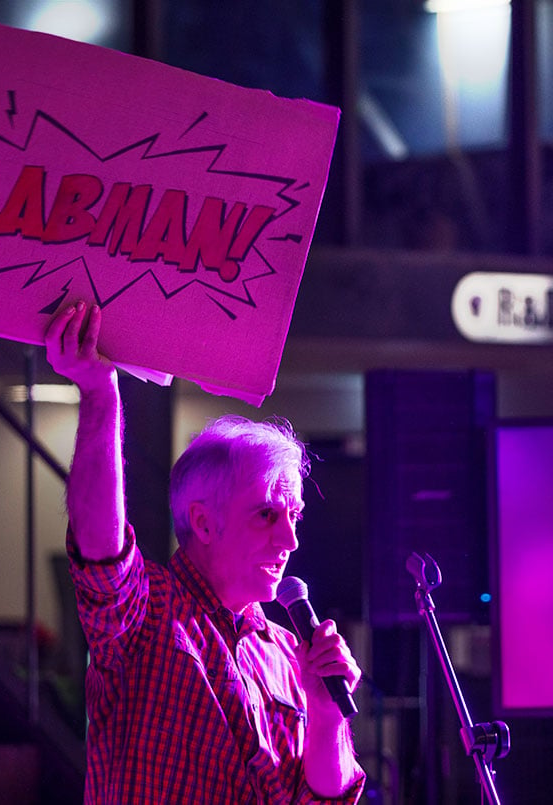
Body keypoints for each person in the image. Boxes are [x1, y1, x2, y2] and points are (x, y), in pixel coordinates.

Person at [45, 300, 366, 804]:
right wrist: (99, 392)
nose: (290, 540)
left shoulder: (286, 652)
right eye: (266, 514)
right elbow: (101, 551)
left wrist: (326, 718)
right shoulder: (147, 612)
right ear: (203, 521)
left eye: (294, 516)